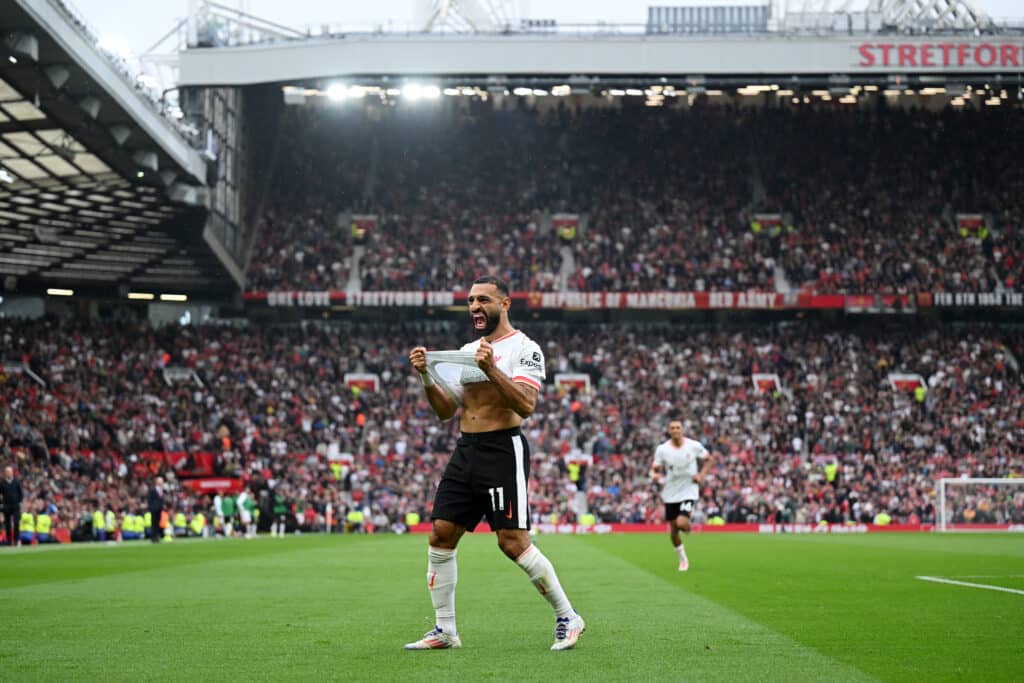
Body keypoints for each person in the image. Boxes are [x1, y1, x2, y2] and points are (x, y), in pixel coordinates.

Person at [405, 275, 584, 652]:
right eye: (470, 300)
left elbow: (526, 405)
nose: (474, 307)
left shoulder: (525, 348)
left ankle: (568, 615)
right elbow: (446, 410)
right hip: (466, 448)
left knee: (513, 542)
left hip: (503, 449)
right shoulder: (468, 350)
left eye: (483, 299)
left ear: (504, 304)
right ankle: (445, 630)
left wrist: (491, 369)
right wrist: (425, 376)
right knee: (441, 534)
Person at [649, 420, 714, 571]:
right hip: (671, 492)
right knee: (673, 532)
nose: (675, 430)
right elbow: (655, 468)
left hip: (689, 490)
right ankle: (683, 559)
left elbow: (709, 460)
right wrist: (654, 475)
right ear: (668, 431)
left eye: (678, 427)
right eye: (672, 428)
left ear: (682, 430)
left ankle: (688, 526)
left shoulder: (693, 445)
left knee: (681, 523)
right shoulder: (662, 449)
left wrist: (702, 475)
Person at [1, 466, 23, 546]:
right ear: (5, 473)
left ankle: (16, 540)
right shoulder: (2, 483)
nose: (9, 473)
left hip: (15, 506)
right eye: (7, 472)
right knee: (7, 525)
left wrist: (19, 501)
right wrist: (2, 505)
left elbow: (20, 493)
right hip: (6, 506)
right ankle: (9, 541)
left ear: (12, 473)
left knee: (16, 523)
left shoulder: (16, 482)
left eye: (10, 472)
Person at [147, 476, 166, 544]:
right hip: (154, 509)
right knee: (154, 523)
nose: (161, 482)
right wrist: (151, 507)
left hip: (159, 509)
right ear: (157, 482)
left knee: (158, 523)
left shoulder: (162, 490)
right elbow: (150, 499)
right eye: (160, 481)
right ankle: (153, 537)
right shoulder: (153, 490)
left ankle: (156, 537)